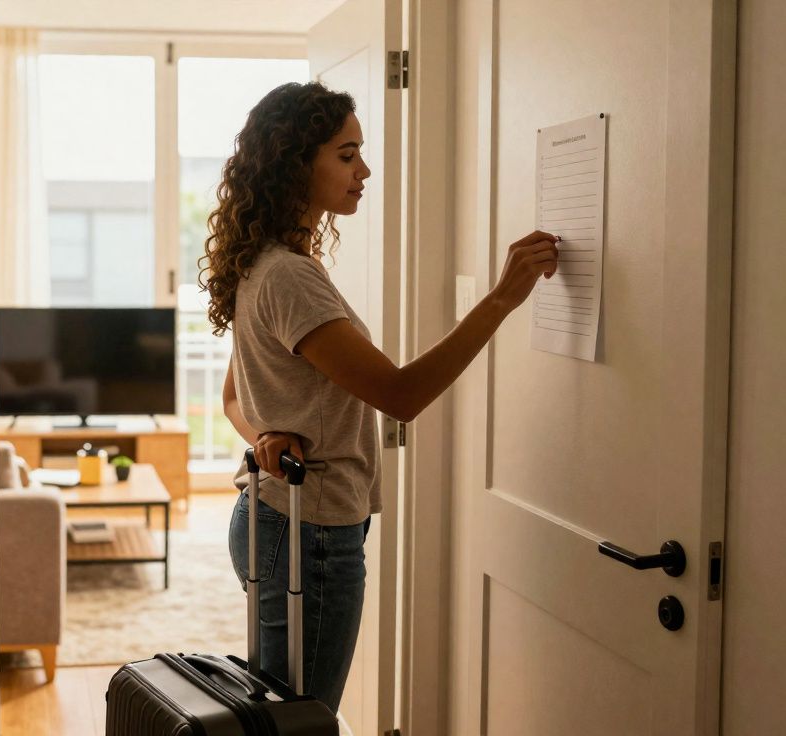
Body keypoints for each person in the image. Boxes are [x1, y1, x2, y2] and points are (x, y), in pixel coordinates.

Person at [200, 81, 559, 714]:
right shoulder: (290, 276)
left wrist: (265, 434)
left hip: (277, 518)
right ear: (295, 162)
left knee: (285, 719)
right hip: (308, 531)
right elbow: (400, 394)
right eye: (347, 155)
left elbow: (234, 396)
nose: (363, 171)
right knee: (303, 723)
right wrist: (502, 298)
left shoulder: (268, 261)